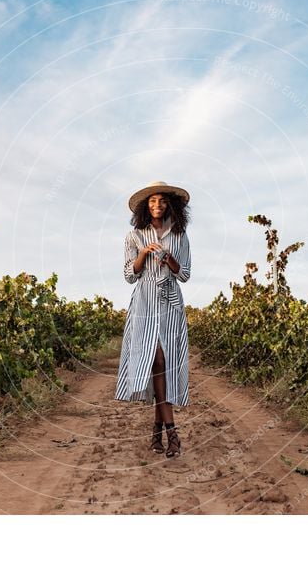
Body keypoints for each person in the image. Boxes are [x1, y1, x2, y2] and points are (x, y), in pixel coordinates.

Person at [115, 180, 192, 458]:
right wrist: (144, 255)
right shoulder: (134, 235)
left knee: (166, 364)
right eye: (152, 201)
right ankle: (173, 434)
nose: (157, 205)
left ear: (169, 204)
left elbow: (184, 274)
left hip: (170, 302)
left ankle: (157, 432)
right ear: (146, 206)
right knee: (156, 359)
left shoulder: (180, 235)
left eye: (161, 201)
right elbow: (128, 275)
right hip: (145, 300)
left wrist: (170, 259)